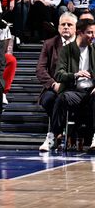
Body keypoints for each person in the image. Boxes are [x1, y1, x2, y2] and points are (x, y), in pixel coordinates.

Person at [50, 18, 95, 153]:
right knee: (61, 98)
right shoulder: (67, 50)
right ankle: (53, 135)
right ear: (80, 33)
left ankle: (94, 138)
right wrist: (75, 75)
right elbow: (59, 74)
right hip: (75, 91)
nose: (93, 36)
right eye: (90, 33)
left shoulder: (94, 49)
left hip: (91, 91)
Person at [36, 12, 76, 152]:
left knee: (64, 99)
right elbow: (40, 69)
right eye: (63, 24)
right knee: (48, 100)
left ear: (76, 28)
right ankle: (60, 133)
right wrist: (53, 84)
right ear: (58, 27)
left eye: (69, 25)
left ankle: (54, 134)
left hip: (75, 88)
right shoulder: (50, 44)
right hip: (54, 87)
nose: (66, 27)